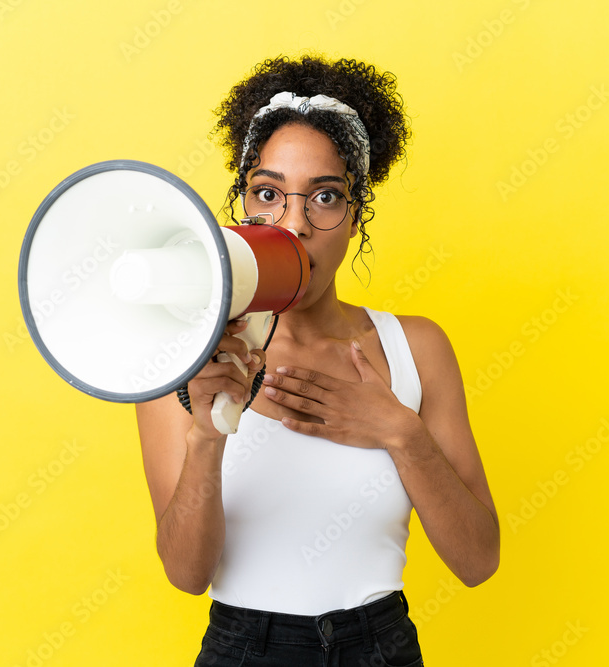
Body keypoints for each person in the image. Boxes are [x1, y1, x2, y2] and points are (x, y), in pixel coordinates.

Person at [136, 54, 499, 666]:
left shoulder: (417, 349)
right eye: (269, 193)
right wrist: (207, 433)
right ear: (242, 206)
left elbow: (477, 561)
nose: (294, 225)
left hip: (382, 647)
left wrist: (398, 432)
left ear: (357, 215)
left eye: (325, 196)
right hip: (245, 649)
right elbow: (185, 573)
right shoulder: (186, 355)